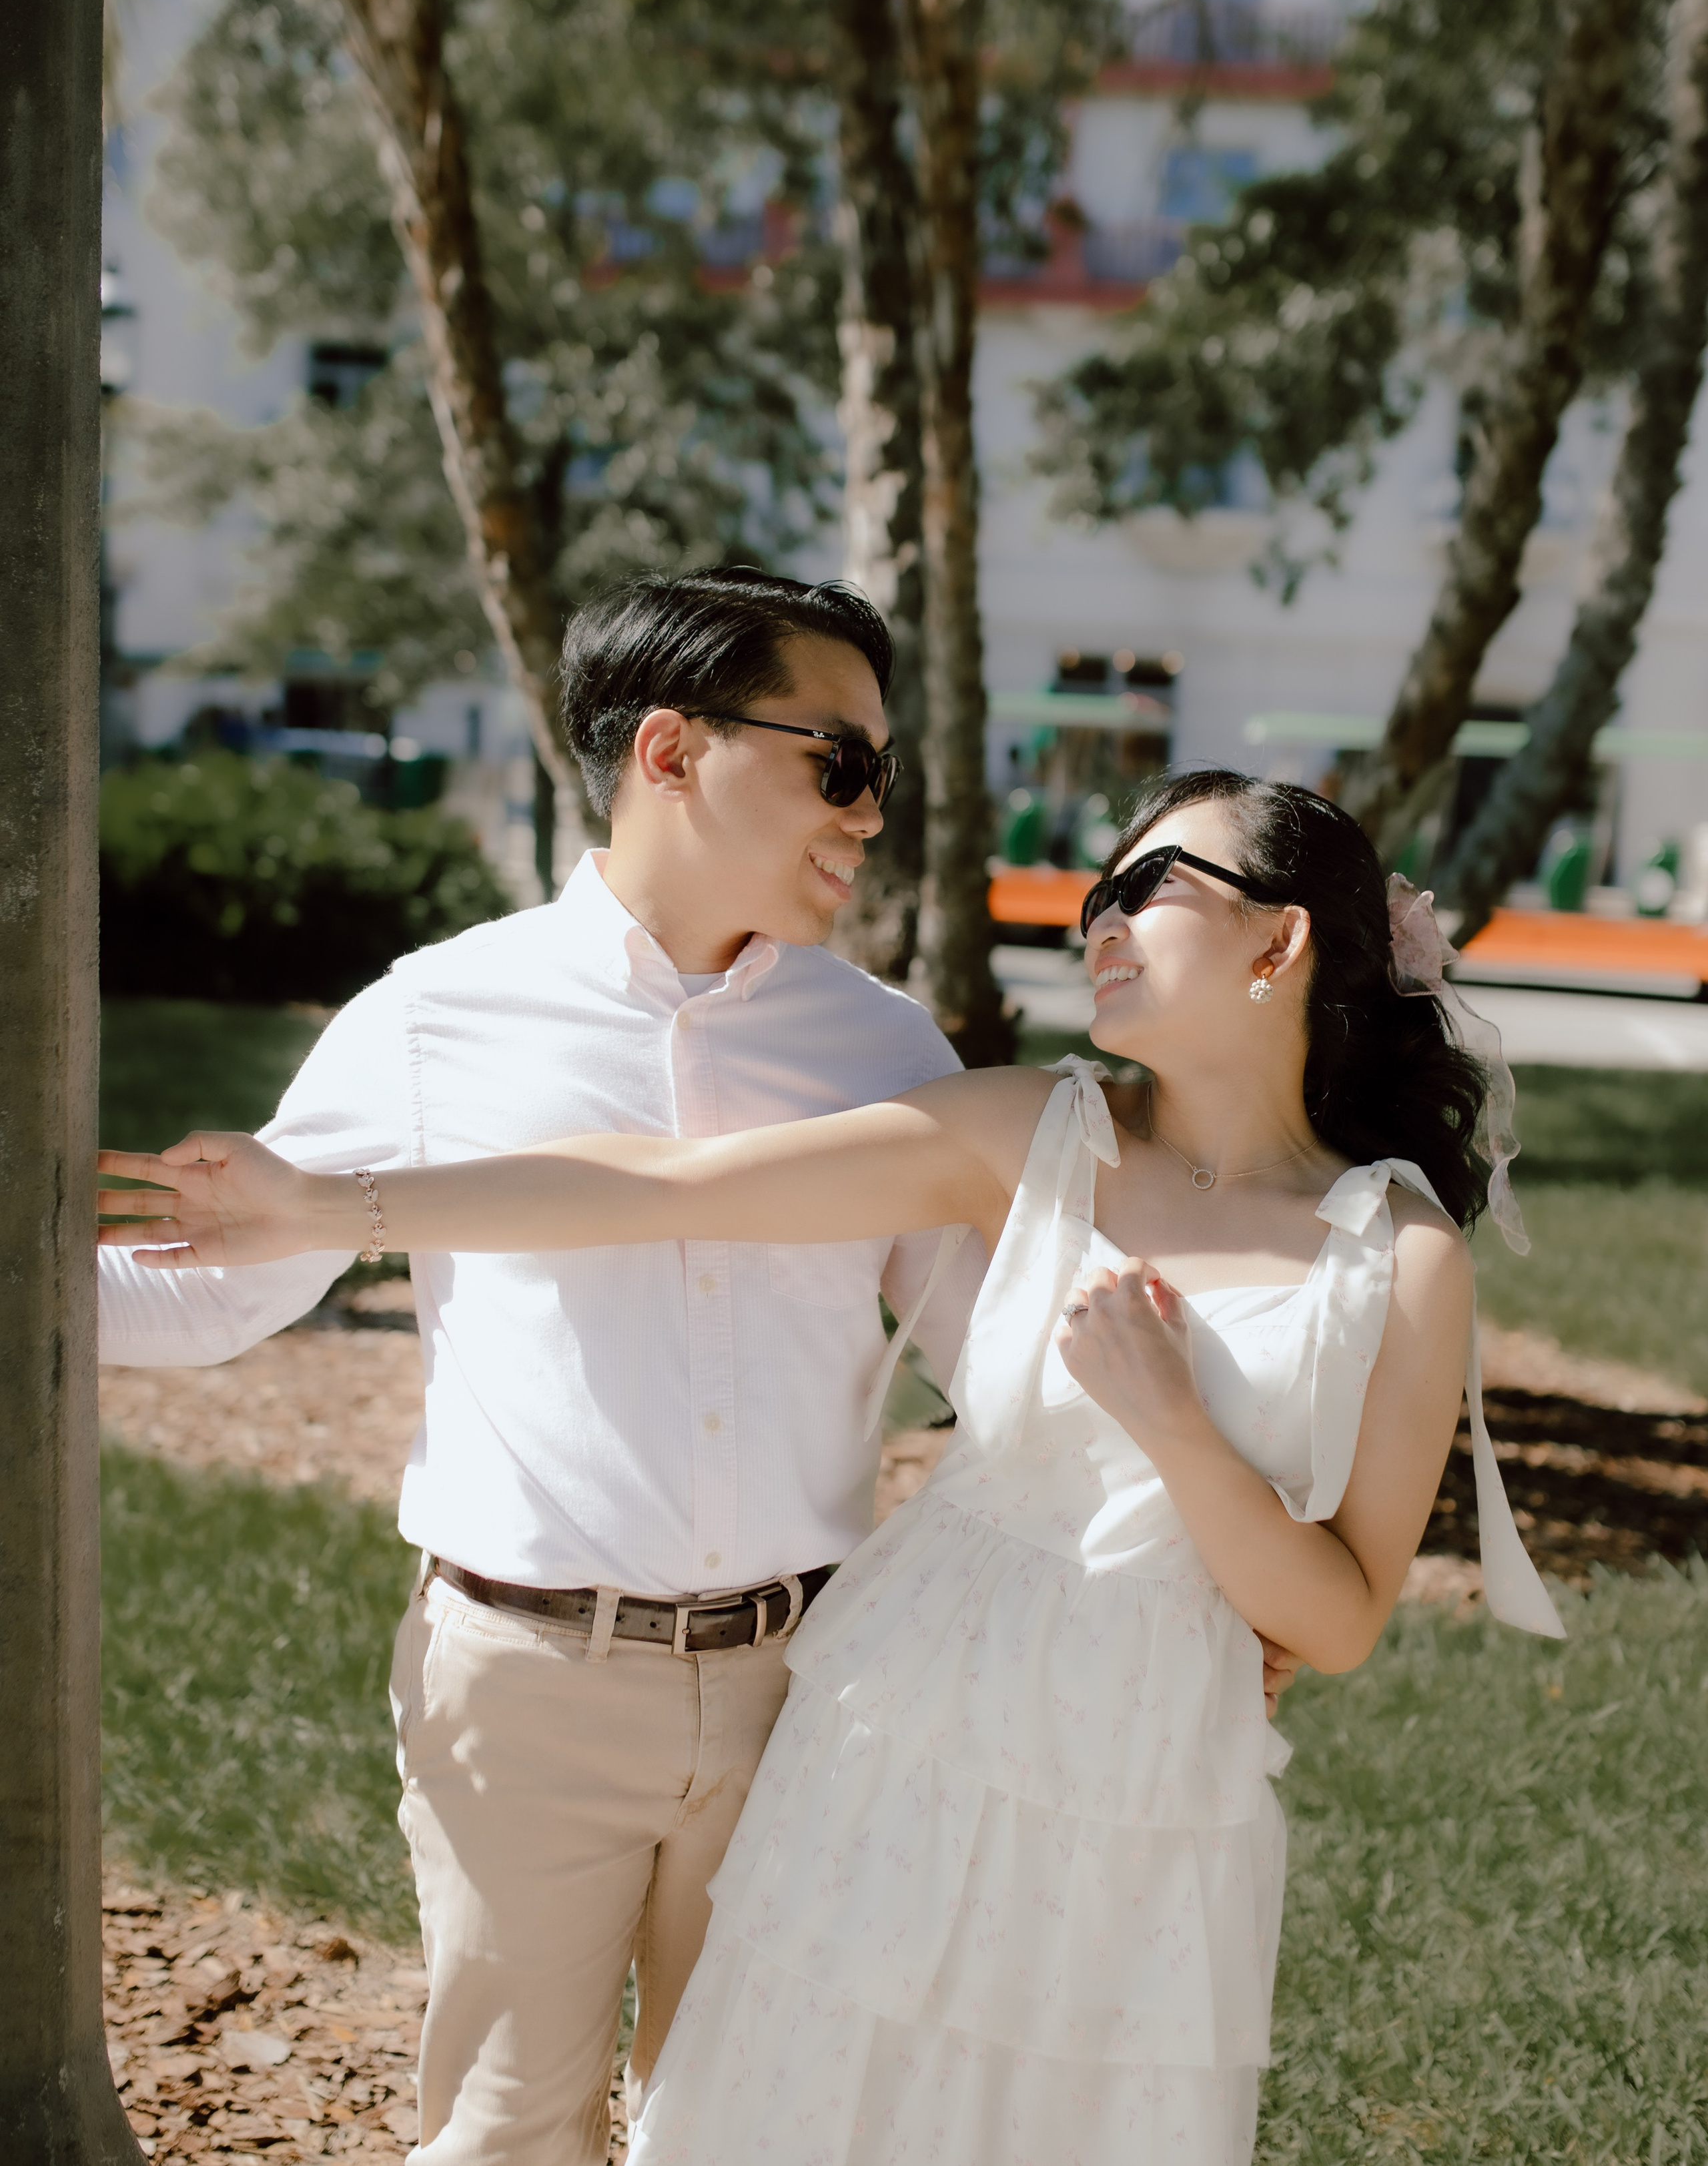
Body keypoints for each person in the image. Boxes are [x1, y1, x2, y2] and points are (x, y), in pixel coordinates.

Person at [99, 771, 1555, 2165]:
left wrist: (1178, 1434)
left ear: (1279, 941)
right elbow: (667, 1185)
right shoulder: (1026, 1131)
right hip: (902, 1724)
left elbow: (1339, 1618)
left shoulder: (1402, 1256)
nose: (1100, 921)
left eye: (1148, 885)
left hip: (1153, 1776)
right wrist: (330, 1205)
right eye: (1093, 896)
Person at [96, 570, 1005, 2166]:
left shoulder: (881, 1050)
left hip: (807, 1693)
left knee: (752, 2135)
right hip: (521, 1690)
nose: (871, 811)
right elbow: (216, 1299)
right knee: (504, 2135)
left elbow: (1003, 1361)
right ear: (671, 749)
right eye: (841, 762)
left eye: (882, 771)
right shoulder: (435, 1018)